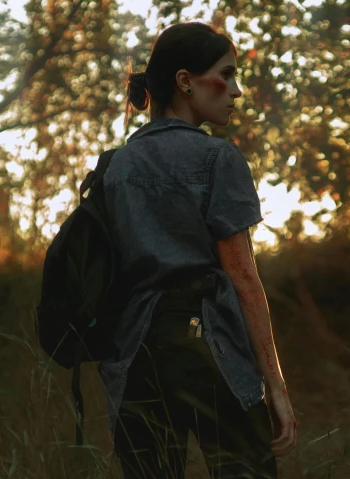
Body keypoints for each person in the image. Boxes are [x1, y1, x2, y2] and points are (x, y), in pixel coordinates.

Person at [98, 22, 296, 479]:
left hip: (135, 352)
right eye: (225, 75)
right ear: (185, 82)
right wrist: (276, 387)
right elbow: (244, 278)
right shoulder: (218, 159)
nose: (236, 91)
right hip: (207, 344)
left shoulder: (116, 166)